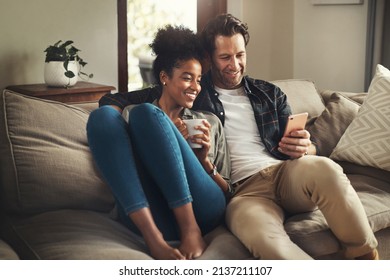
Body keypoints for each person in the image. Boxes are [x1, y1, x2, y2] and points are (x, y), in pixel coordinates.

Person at [189, 13, 379, 260]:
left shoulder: (269, 93)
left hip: (286, 174)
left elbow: (307, 146)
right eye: (225, 57)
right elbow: (143, 97)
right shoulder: (195, 93)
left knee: (326, 168)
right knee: (267, 242)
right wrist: (118, 103)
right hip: (243, 193)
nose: (234, 65)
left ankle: (365, 257)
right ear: (209, 58)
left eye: (240, 55)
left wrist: (305, 147)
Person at [86, 25, 231, 260]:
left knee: (146, 113)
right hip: (155, 213)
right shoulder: (134, 115)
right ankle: (153, 238)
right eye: (187, 78)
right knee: (104, 117)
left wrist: (203, 160)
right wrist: (164, 136)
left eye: (199, 80)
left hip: (204, 208)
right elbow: (111, 110)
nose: (196, 87)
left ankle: (190, 229)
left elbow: (229, 191)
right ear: (164, 77)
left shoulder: (210, 122)